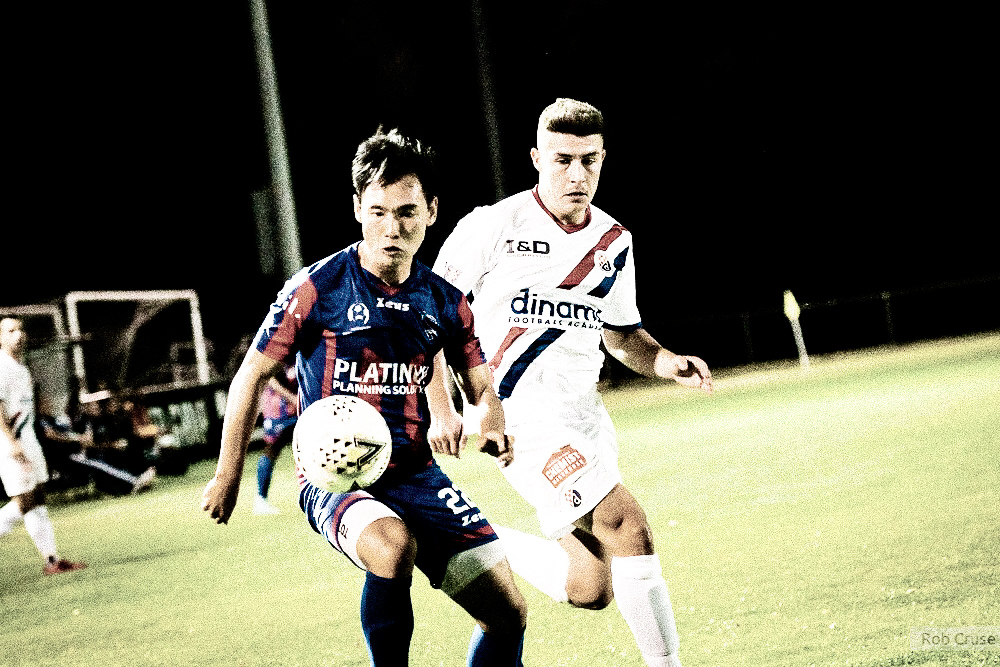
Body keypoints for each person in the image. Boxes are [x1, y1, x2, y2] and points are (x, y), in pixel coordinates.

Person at [201, 127, 528, 666]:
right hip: (336, 476)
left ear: (431, 211)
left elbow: (481, 387)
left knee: (506, 613)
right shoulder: (316, 288)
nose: (391, 228)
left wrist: (490, 422)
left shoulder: (445, 302)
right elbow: (250, 375)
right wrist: (227, 473)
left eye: (406, 212)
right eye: (377, 212)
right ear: (357, 208)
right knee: (393, 546)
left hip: (416, 473)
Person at [429, 98, 713, 667]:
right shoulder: (493, 226)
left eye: (589, 161)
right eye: (562, 161)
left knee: (591, 585)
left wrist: (665, 362)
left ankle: (468, 536)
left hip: (587, 420)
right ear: (537, 159)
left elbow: (622, 335)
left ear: (603, 159)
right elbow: (427, 319)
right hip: (520, 421)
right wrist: (450, 407)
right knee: (628, 525)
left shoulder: (613, 241)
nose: (577, 175)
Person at [0, 317, 87, 575]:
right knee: (24, 501)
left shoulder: (21, 368)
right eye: (10, 331)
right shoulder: (2, 366)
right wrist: (11, 441)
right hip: (11, 442)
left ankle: (52, 561)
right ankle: (52, 561)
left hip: (28, 440)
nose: (18, 335)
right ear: (0, 337)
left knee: (37, 498)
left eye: (20, 329)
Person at [37, 394, 156, 496]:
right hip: (70, 456)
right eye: (45, 403)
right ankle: (134, 482)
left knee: (119, 454)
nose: (49, 405)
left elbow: (82, 437)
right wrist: (77, 438)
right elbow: (53, 435)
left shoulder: (56, 420)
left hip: (87, 452)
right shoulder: (42, 421)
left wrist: (78, 438)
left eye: (96, 406)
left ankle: (136, 478)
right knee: (101, 465)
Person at [252, 363, 298, 514]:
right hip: (278, 408)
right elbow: (270, 378)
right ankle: (261, 499)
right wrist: (291, 397)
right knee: (272, 449)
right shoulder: (278, 353)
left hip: (297, 407)